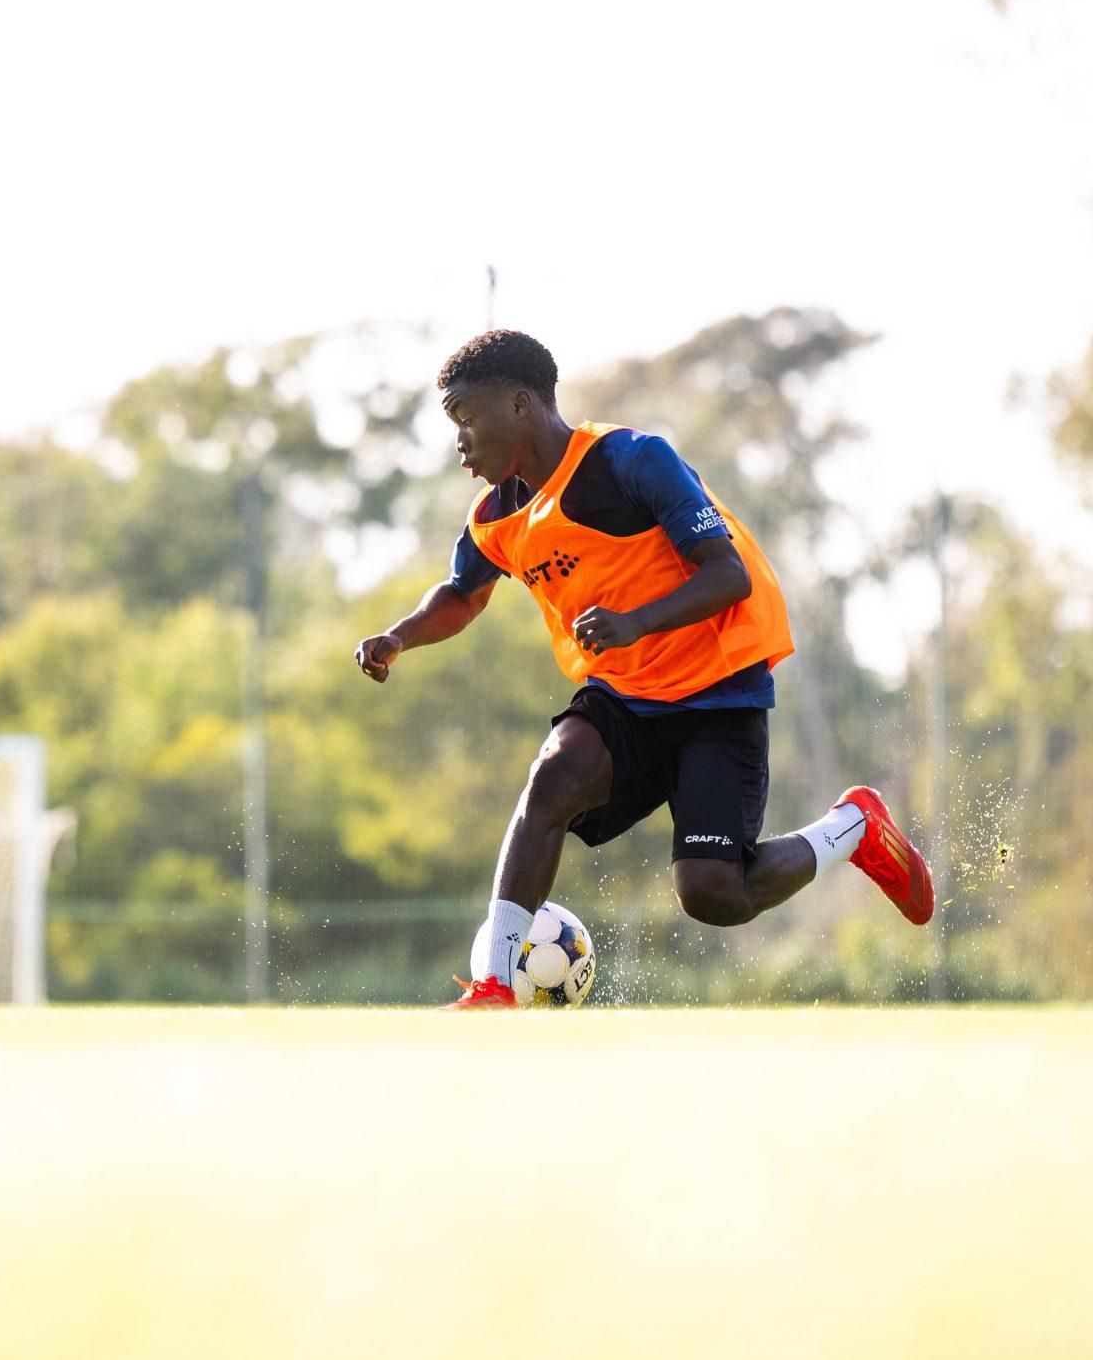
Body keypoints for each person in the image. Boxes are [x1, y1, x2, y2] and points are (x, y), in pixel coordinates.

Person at [353, 329, 936, 1009]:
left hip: (717, 692)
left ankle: (854, 827)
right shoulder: (496, 517)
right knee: (554, 775)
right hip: (626, 698)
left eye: (465, 419)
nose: (459, 442)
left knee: (715, 894)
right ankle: (492, 985)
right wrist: (398, 636)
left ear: (518, 405)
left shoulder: (631, 461)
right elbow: (461, 594)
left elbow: (729, 575)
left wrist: (633, 622)